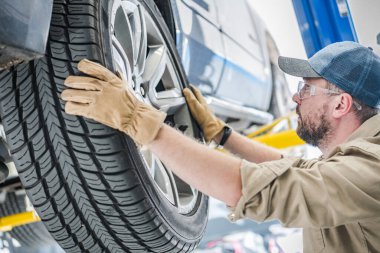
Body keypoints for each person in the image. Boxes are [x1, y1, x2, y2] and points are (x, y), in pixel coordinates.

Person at [61, 41, 380, 253]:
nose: (296, 98)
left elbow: (263, 188)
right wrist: (222, 135)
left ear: (341, 104)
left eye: (307, 88)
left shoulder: (373, 167)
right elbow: (295, 169)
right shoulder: (357, 159)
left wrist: (141, 122)